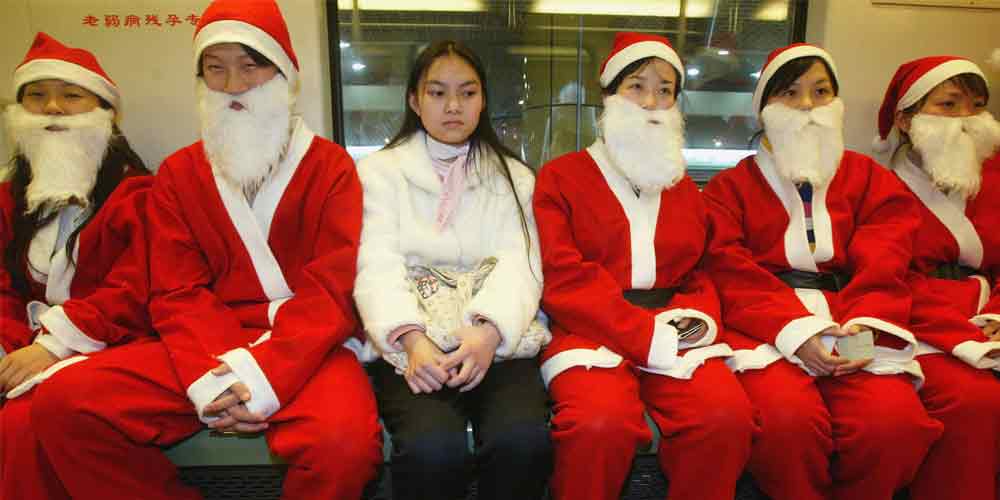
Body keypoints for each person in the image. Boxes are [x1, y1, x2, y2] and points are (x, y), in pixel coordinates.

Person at [30, 2, 382, 499]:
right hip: (203, 345)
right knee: (65, 403)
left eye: (250, 66)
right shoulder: (179, 174)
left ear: (285, 73)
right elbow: (176, 289)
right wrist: (215, 375)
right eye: (215, 69)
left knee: (345, 446)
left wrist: (263, 374)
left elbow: (333, 290)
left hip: (307, 347)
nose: (233, 85)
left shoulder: (331, 168)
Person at [702, 43, 943, 500]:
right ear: (765, 109)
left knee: (894, 425)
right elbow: (728, 269)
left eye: (820, 92)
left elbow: (887, 258)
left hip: (856, 318)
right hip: (767, 326)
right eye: (790, 94)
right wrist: (796, 332)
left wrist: (863, 327)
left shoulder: (870, 179)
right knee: (786, 423)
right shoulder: (727, 189)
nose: (807, 106)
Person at [533, 32, 756, 500]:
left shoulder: (683, 188)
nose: (652, 102)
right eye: (637, 86)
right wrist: (640, 333)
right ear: (608, 95)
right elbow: (562, 275)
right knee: (598, 424)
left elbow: (701, 270)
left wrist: (695, 321)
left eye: (665, 90)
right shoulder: (560, 178)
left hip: (675, 327)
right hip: (588, 328)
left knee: (725, 417)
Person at [354, 39, 552, 500]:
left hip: (495, 344)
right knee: (433, 449)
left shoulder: (514, 176)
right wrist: (412, 339)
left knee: (522, 441)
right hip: (413, 342)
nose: (453, 106)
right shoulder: (377, 174)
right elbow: (375, 263)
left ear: (483, 101)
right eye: (437, 92)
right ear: (414, 100)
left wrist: (488, 334)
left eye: (467, 92)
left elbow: (522, 264)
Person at [0, 32, 152, 500]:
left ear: (104, 112)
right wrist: (8, 348)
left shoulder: (138, 194)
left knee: (23, 425)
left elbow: (135, 289)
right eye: (37, 96)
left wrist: (54, 345)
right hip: (24, 348)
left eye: (71, 96)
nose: (53, 108)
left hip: (115, 346)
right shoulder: (6, 198)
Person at [873, 55, 1000, 500]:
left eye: (977, 106)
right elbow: (888, 278)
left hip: (990, 319)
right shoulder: (879, 187)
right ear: (906, 120)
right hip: (921, 326)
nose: (966, 119)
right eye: (949, 105)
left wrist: (996, 318)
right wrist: (965, 335)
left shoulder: (996, 179)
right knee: (974, 400)